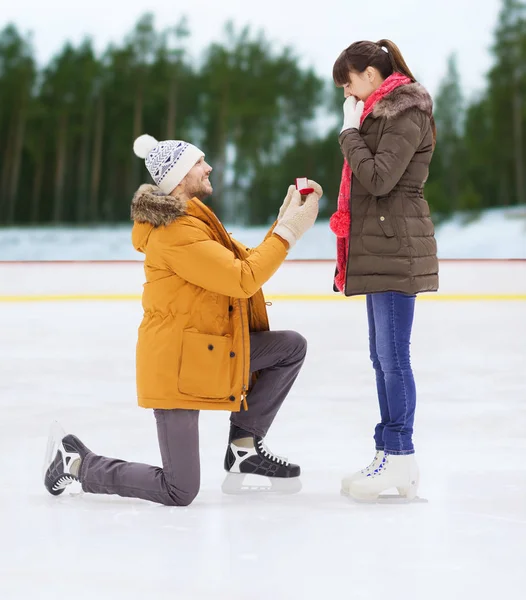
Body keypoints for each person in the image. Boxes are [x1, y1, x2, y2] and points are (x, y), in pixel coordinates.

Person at [44, 134, 322, 506]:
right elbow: (243, 280)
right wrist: (290, 232)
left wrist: (284, 221)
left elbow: (244, 263)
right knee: (180, 489)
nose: (208, 167)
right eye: (199, 162)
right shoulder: (175, 233)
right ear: (178, 177)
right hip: (176, 365)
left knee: (289, 348)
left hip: (203, 350)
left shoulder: (195, 220)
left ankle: (244, 449)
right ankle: (77, 463)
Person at [329, 40, 438, 501]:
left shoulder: (406, 113)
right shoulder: (380, 115)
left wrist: (349, 135)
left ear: (370, 75)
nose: (347, 95)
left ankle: (400, 453)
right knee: (382, 358)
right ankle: (391, 453)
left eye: (348, 83)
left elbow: (378, 178)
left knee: (394, 358)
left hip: (397, 248)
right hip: (379, 247)